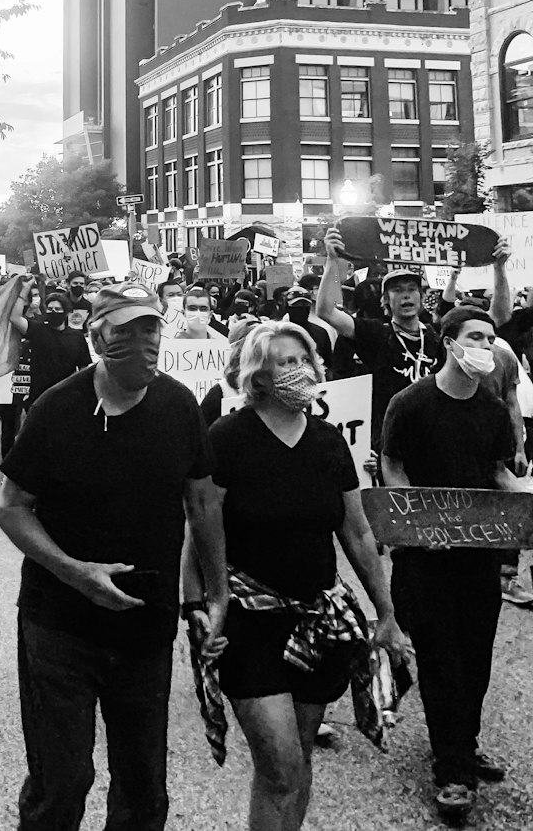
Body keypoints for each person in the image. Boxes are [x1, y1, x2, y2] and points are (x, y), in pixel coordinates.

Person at [0, 281, 229, 831]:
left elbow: (202, 500)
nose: (147, 341)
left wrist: (216, 592)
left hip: (144, 629)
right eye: (129, 330)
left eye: (152, 327)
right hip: (60, 625)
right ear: (98, 337)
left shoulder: (178, 406)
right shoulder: (57, 409)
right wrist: (75, 573)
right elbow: (12, 509)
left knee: (143, 789)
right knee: (62, 783)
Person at [195, 320, 412, 831]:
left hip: (319, 624)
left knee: (295, 767)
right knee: (282, 765)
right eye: (284, 362)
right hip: (251, 625)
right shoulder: (227, 438)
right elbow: (200, 532)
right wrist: (204, 605)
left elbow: (355, 532)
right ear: (259, 375)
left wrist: (386, 612)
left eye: (303, 361)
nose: (299, 370)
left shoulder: (329, 442)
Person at [381, 304, 530, 822]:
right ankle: (454, 774)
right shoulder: (411, 403)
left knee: (476, 661)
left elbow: (497, 472)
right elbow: (392, 467)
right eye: (475, 337)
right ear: (448, 343)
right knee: (442, 662)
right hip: (425, 563)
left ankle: (462, 745)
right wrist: (420, 528)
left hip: (478, 560)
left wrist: (523, 505)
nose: (486, 347)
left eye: (490, 339)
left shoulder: (491, 409)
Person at [316, 229, 444, 464]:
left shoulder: (437, 337)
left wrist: (498, 268)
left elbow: (497, 319)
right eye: (397, 290)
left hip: (434, 443)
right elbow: (325, 311)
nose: (405, 296)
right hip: (391, 446)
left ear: (421, 297)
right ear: (385, 300)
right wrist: (332, 262)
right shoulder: (376, 334)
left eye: (411, 289)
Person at [9, 282, 91, 409]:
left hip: (67, 397)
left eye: (58, 309)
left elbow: (83, 368)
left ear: (66, 312)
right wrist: (24, 289)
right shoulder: (37, 330)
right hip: (39, 398)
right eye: (50, 309)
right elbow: (15, 317)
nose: (53, 312)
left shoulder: (77, 337)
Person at [281, 285, 332, 374]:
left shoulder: (320, 332)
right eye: (296, 305)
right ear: (287, 307)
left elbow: (329, 364)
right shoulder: (277, 334)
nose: (301, 308)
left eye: (305, 304)